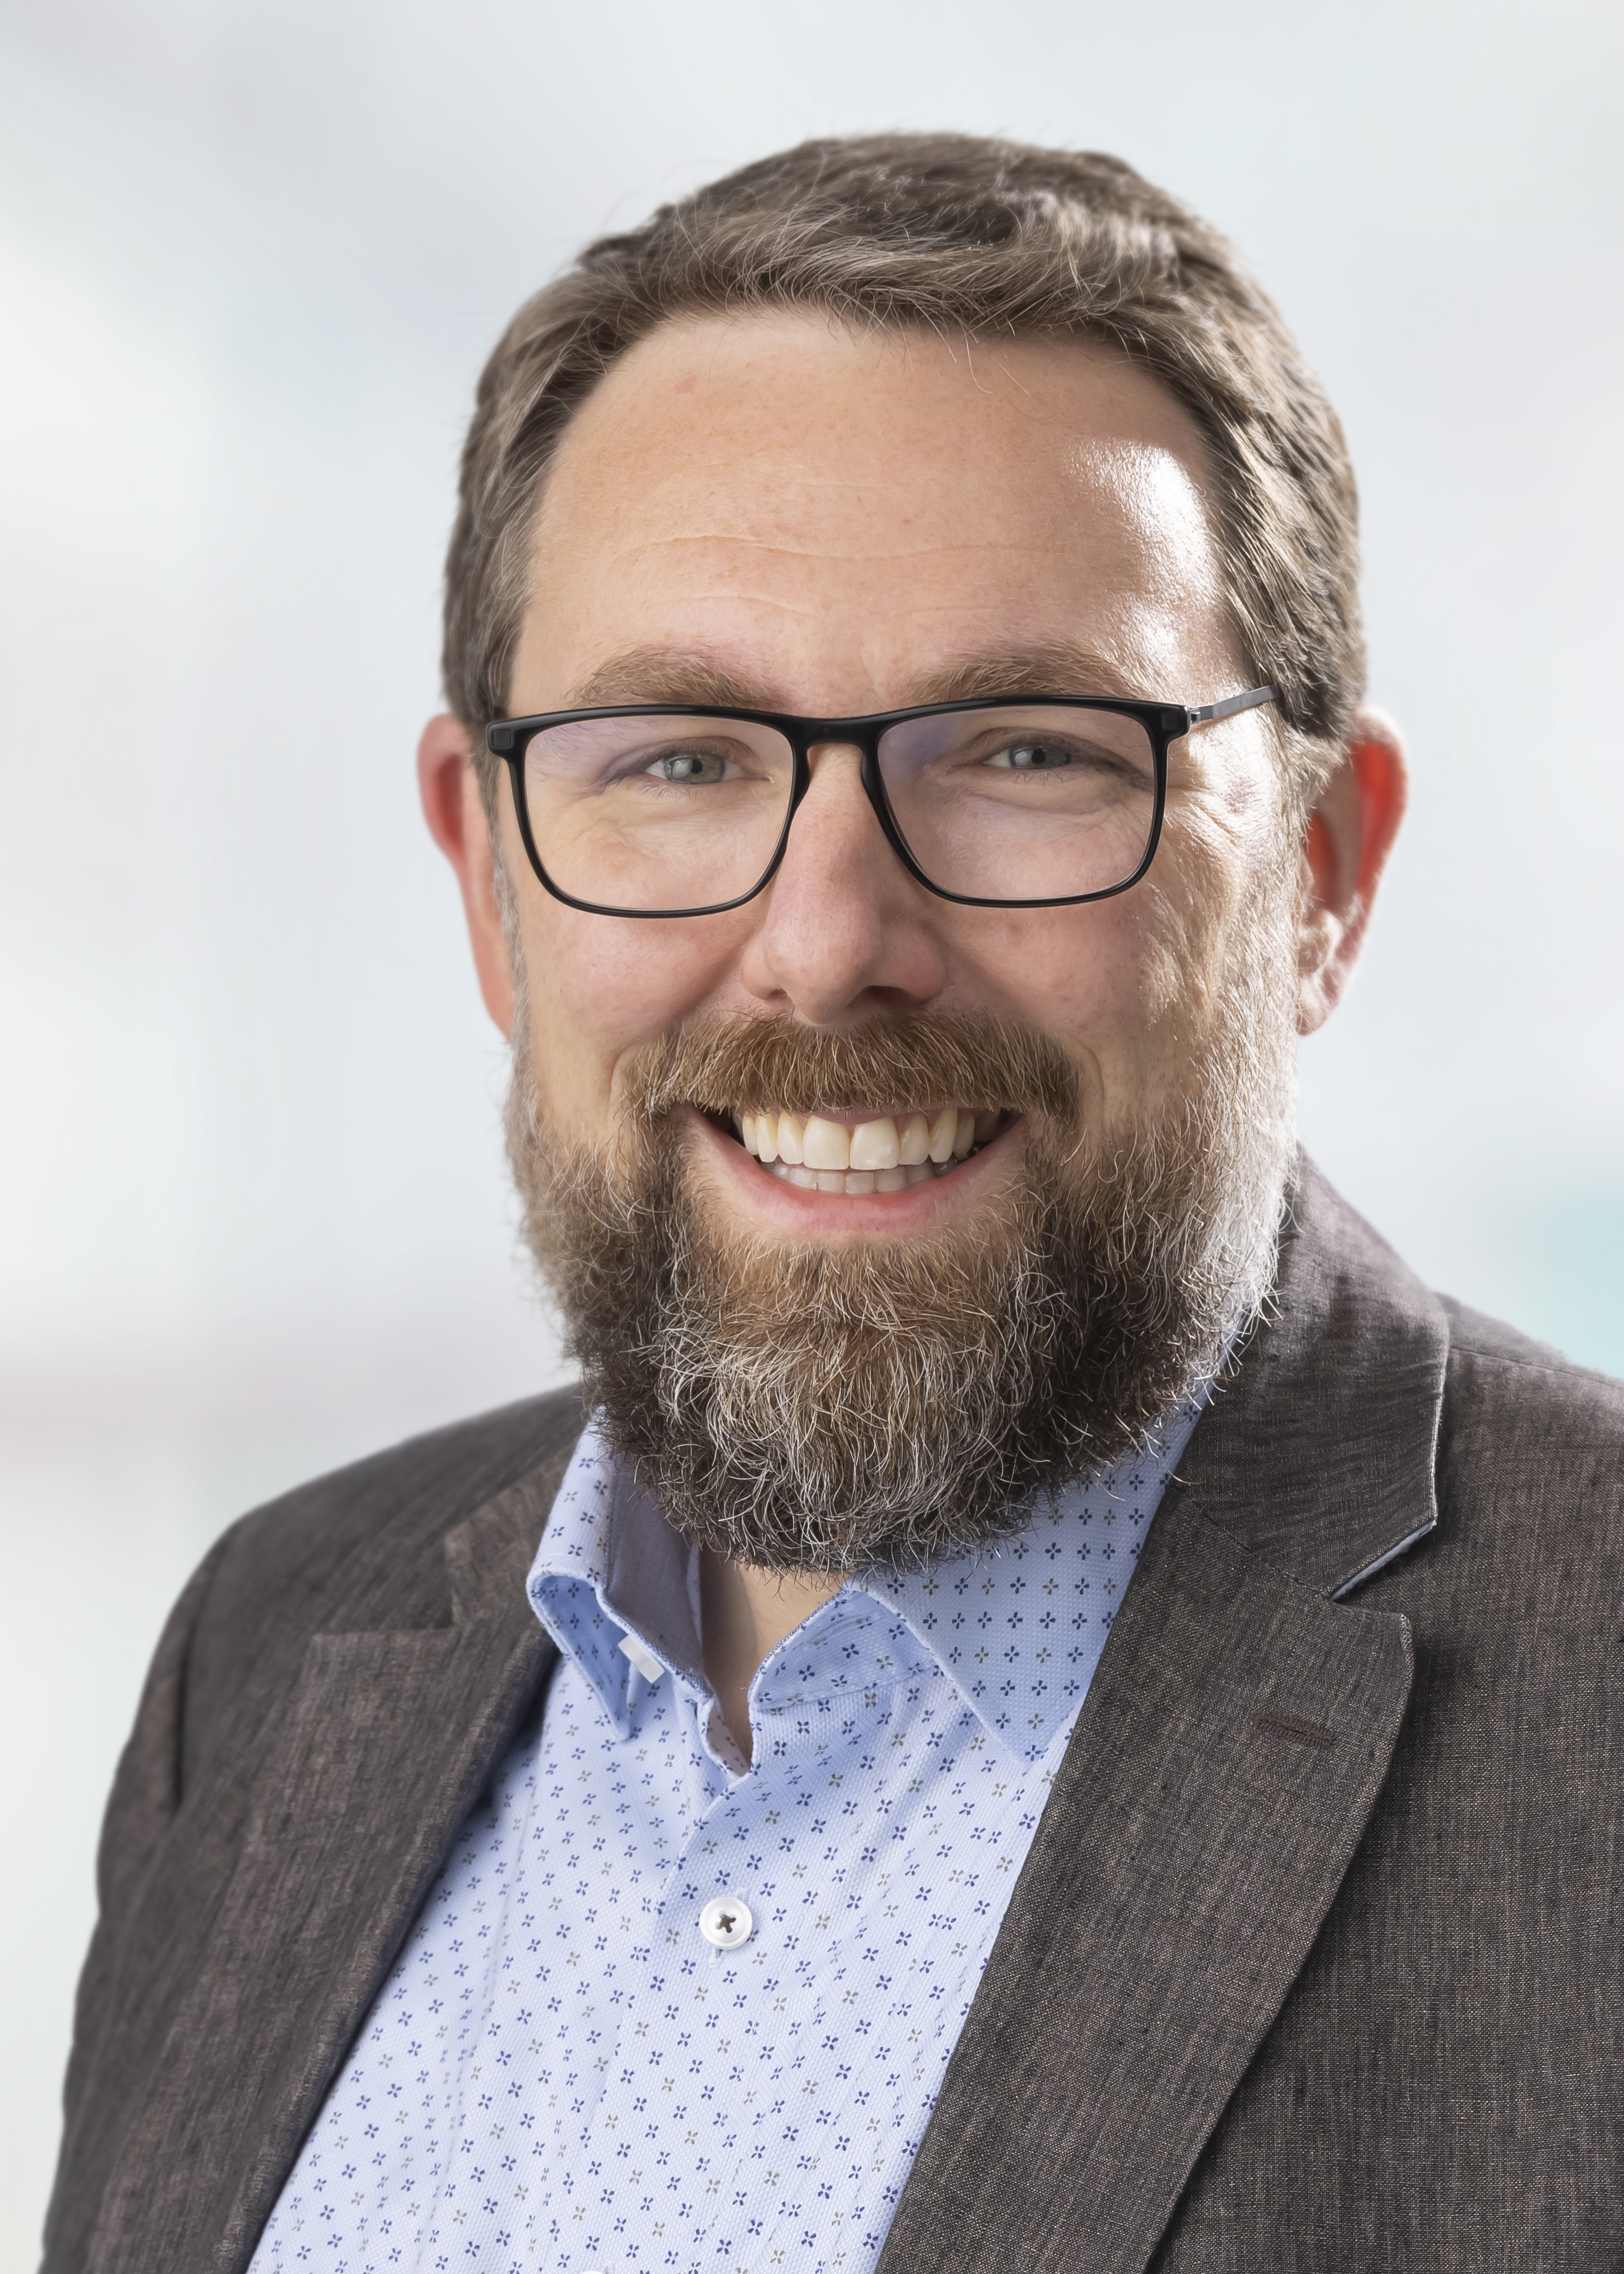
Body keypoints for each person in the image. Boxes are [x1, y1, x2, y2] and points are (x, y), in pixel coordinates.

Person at [42, 134, 1624, 2274]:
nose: (825, 943)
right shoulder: (274, 1651)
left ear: (1322, 876)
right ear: (485, 876)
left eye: (1029, 751)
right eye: (680, 757)